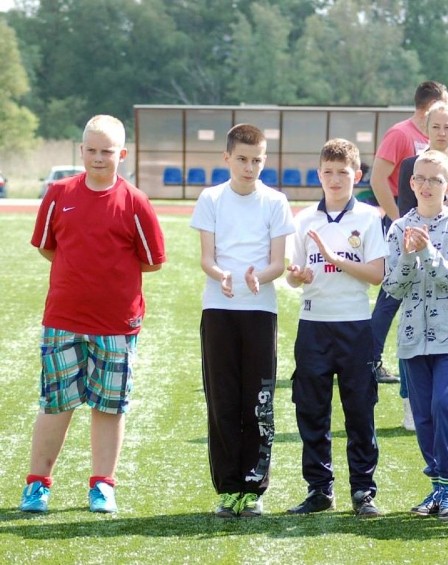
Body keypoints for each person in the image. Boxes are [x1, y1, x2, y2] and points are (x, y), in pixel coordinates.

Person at [20, 115, 166, 514]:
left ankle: (102, 485)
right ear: (81, 150)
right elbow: (48, 247)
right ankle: (37, 484)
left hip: (117, 325)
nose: (99, 158)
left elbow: (152, 261)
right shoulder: (57, 194)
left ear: (122, 154)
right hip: (63, 319)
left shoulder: (135, 201)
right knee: (56, 402)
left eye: (108, 151)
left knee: (109, 405)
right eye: (92, 150)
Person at [190, 123, 295, 518]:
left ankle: (253, 488)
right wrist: (221, 275)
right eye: (242, 160)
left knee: (259, 401)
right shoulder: (211, 198)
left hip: (259, 310)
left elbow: (277, 263)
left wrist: (258, 277)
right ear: (227, 158)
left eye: (257, 161)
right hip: (218, 309)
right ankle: (228, 487)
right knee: (222, 400)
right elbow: (207, 257)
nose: (250, 168)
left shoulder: (275, 201)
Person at [286, 138, 387, 517]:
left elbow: (376, 274)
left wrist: (333, 259)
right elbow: (295, 276)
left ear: (356, 175)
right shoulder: (304, 220)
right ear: (319, 175)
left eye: (342, 173)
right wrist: (298, 275)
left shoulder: (367, 219)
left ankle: (363, 490)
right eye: (327, 172)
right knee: (311, 409)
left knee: (360, 408)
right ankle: (319, 489)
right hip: (313, 324)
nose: (334, 179)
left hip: (354, 325)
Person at [383, 150, 448, 521]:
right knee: (422, 415)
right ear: (411, 183)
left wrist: (428, 251)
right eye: (420, 178)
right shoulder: (397, 228)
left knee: (444, 404)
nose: (426, 185)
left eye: (435, 180)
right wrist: (408, 256)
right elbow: (392, 287)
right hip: (411, 338)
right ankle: (437, 487)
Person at [397, 102, 448, 431]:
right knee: (410, 327)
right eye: (436, 127)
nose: (442, 133)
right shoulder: (410, 166)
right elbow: (409, 209)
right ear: (426, 129)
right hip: (413, 254)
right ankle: (409, 402)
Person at [370, 80, 448, 384]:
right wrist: (398, 220)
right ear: (433, 105)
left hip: (431, 231)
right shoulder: (400, 133)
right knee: (391, 295)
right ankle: (371, 359)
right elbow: (379, 179)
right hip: (404, 228)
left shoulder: (433, 138)